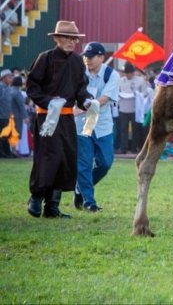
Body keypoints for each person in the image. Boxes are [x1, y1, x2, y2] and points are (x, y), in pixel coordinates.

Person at [25, 21, 93, 218]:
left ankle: (52, 207)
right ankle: (36, 197)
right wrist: (48, 101)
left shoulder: (78, 62)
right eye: (66, 37)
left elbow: (81, 89)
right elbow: (32, 87)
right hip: (46, 117)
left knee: (65, 159)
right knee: (48, 157)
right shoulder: (44, 58)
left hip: (66, 118)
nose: (71, 42)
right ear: (56, 38)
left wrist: (87, 101)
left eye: (74, 38)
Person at [74, 42, 119, 212]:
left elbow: (105, 98)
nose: (87, 60)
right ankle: (89, 202)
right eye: (85, 56)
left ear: (101, 57)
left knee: (105, 163)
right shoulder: (79, 73)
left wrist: (86, 105)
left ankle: (80, 188)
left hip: (102, 125)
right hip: (81, 125)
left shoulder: (111, 75)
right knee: (84, 164)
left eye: (91, 57)